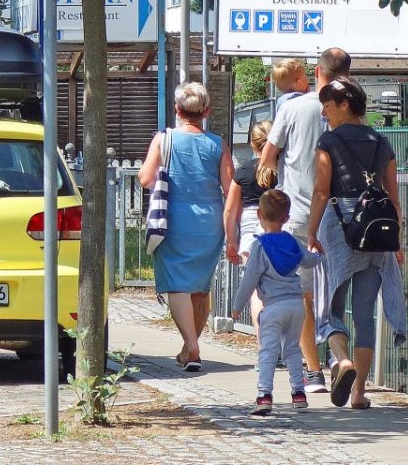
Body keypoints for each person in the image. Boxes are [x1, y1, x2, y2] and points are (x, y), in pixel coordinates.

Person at [306, 77, 407, 409]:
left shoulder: (329, 141)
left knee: (330, 308)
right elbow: (393, 196)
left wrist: (311, 231)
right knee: (365, 315)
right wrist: (397, 241)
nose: (324, 113)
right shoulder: (382, 141)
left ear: (344, 105)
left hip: (340, 229)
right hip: (377, 232)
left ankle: (341, 360)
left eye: (327, 106)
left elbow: (322, 190)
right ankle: (360, 393)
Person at [256, 46, 352, 392]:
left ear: (316, 74)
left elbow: (268, 156)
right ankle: (341, 357)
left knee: (305, 294)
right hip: (344, 215)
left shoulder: (293, 108)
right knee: (339, 292)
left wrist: (269, 170)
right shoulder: (352, 108)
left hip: (300, 211)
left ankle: (313, 370)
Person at [138, 82, 234, 372]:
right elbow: (230, 188)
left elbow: (145, 178)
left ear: (177, 110)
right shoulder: (218, 144)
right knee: (200, 289)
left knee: (177, 285)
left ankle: (192, 346)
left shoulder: (163, 139)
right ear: (206, 111)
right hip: (209, 221)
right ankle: (189, 347)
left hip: (172, 219)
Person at [230, 189, 322, 416]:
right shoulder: (291, 242)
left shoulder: (259, 247)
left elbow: (249, 280)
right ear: (287, 218)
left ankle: (264, 395)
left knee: (268, 351)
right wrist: (319, 254)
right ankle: (298, 394)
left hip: (272, 307)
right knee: (292, 349)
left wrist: (237, 307)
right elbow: (310, 261)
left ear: (259, 214)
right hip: (296, 305)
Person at [224, 119, 273, 338]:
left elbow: (230, 211)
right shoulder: (283, 171)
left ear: (253, 145)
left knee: (256, 292)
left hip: (250, 231)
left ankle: (265, 349)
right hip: (278, 227)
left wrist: (231, 241)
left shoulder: (243, 172)